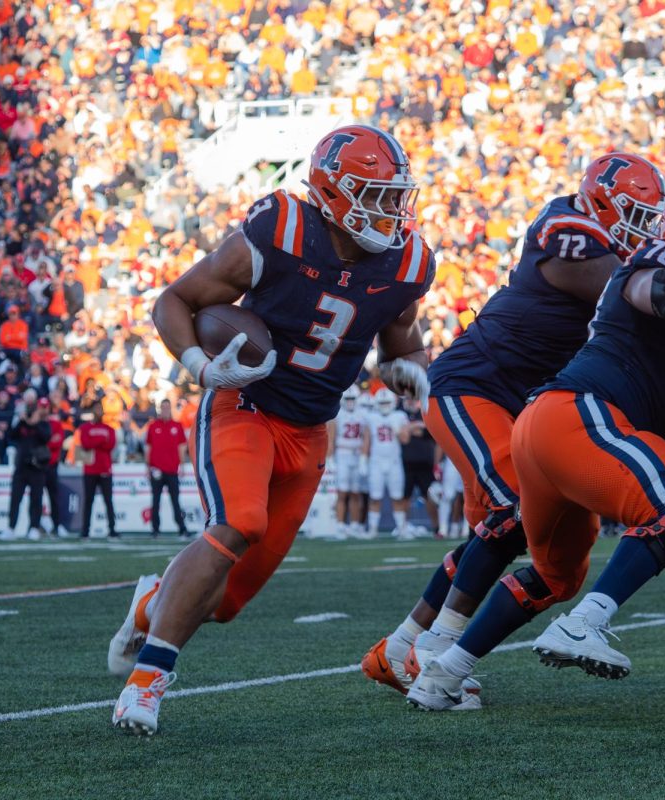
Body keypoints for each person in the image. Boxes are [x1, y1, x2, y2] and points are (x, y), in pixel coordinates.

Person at [109, 125, 433, 735]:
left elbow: (400, 344)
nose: (391, 210)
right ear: (333, 194)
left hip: (312, 429)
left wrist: (411, 373)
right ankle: (145, 684)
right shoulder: (280, 230)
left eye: (396, 196)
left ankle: (154, 605)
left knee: (226, 603)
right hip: (247, 405)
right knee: (238, 524)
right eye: (375, 195)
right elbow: (173, 302)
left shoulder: (409, 261)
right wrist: (202, 368)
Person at [362, 152, 664, 697]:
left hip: (527, 407)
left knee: (560, 566)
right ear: (600, 202)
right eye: (636, 213)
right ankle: (435, 653)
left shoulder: (610, 243)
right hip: (474, 387)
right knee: (513, 510)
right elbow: (624, 293)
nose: (645, 228)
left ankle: (402, 645)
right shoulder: (567, 228)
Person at [407, 200, 665, 708]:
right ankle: (584, 625)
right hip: (580, 416)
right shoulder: (663, 259)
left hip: (547, 425)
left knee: (557, 575)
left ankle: (442, 674)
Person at [0, 392, 50, 541]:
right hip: (21, 466)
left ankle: (34, 527)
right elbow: (11, 436)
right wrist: (21, 421)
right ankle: (11, 527)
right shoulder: (21, 423)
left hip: (37, 467)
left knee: (36, 499)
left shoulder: (43, 424)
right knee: (15, 499)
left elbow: (46, 437)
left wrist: (35, 423)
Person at [364, 388, 409, 538]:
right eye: (382, 402)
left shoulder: (399, 416)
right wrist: (363, 460)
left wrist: (398, 431)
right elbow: (367, 440)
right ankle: (373, 530)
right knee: (375, 497)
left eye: (386, 402)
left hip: (394, 461)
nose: (384, 405)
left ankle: (402, 529)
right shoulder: (371, 417)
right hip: (376, 462)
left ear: (393, 402)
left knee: (397, 497)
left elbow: (405, 439)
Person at [326, 385, 369, 537]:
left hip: (357, 455)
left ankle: (355, 525)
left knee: (356, 493)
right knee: (342, 492)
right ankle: (340, 525)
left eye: (353, 399)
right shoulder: (337, 414)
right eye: (348, 399)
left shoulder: (363, 414)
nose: (350, 402)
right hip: (342, 454)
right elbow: (331, 436)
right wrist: (330, 457)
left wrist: (364, 457)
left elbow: (366, 437)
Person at [144, 398, 189, 540]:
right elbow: (148, 447)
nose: (165, 410)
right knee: (155, 501)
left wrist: (182, 465)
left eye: (167, 407)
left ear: (170, 408)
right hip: (156, 469)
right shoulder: (152, 426)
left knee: (175, 501)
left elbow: (181, 447)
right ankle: (155, 529)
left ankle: (182, 528)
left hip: (172, 469)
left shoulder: (177, 426)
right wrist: (147, 466)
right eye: (163, 407)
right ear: (159, 409)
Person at [77, 401, 117, 539]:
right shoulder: (85, 428)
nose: (99, 411)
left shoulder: (109, 428)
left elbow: (110, 445)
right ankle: (85, 531)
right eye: (96, 409)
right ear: (93, 411)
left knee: (108, 501)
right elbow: (85, 444)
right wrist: (101, 440)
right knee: (88, 501)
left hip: (105, 469)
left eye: (101, 409)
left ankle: (112, 529)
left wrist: (95, 441)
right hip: (90, 469)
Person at [400, 395, 438, 538]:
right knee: (405, 496)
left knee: (429, 496)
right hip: (406, 462)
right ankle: (402, 527)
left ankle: (436, 527)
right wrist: (416, 427)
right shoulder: (400, 413)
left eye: (413, 398)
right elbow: (403, 437)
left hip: (425, 461)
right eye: (408, 398)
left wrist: (412, 428)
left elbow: (429, 432)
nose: (410, 401)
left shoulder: (425, 412)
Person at [39, 398, 71, 538]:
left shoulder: (56, 424)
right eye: (42, 407)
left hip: (51, 464)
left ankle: (57, 525)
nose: (44, 410)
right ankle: (35, 526)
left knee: (54, 497)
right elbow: (36, 442)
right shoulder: (36, 424)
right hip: (38, 466)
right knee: (36, 498)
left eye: (46, 407)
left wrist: (45, 443)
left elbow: (57, 441)